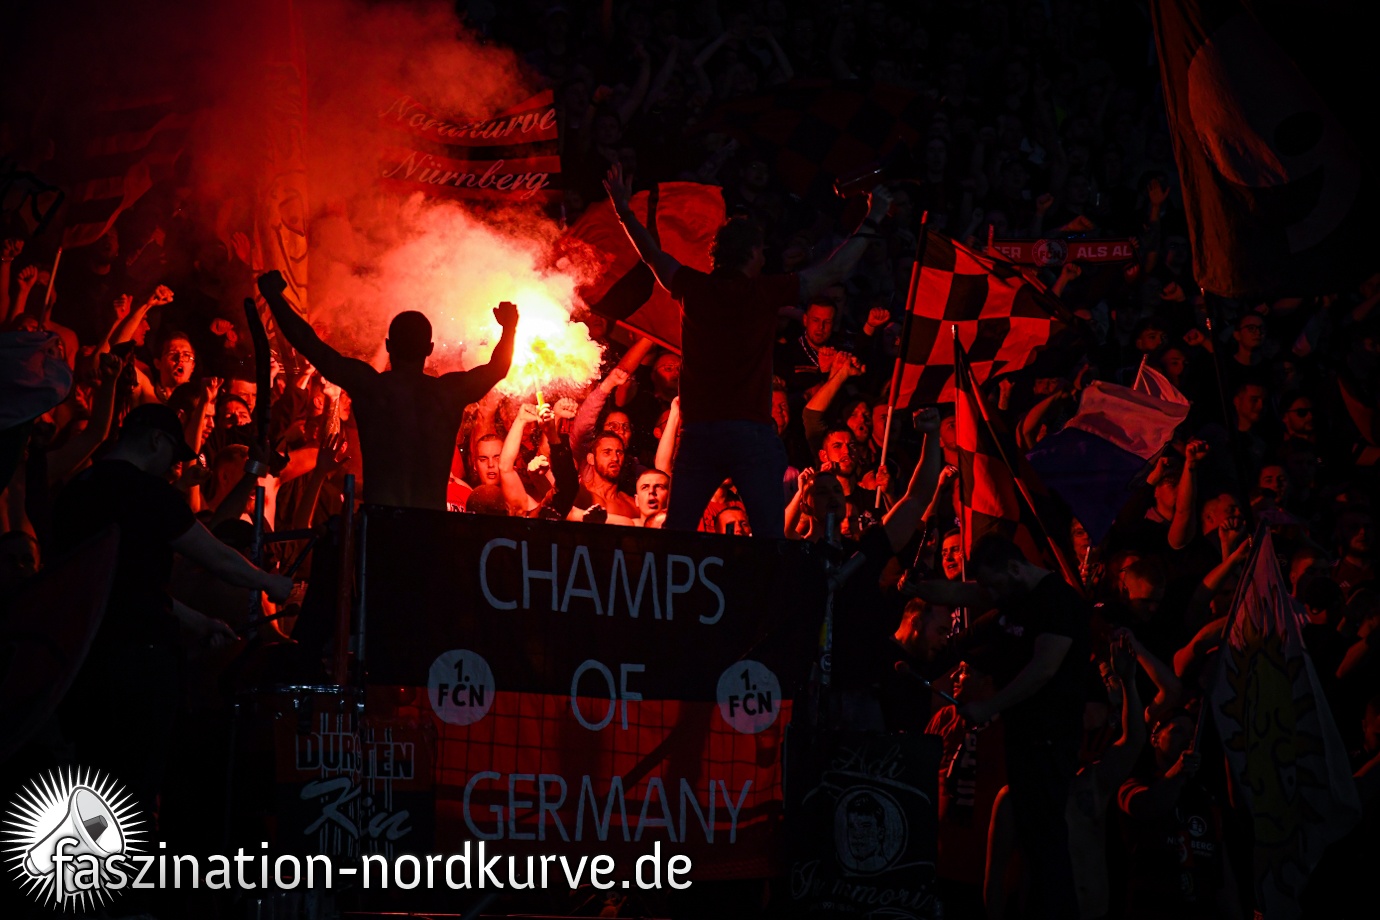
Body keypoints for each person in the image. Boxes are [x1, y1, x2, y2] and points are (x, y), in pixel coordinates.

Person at [602, 162, 891, 537]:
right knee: (769, 539)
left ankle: (670, 594)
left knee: (677, 537)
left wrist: (625, 213)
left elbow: (650, 254)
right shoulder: (765, 291)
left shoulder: (694, 287)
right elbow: (832, 272)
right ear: (753, 253)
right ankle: (764, 595)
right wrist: (874, 217)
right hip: (750, 434)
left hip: (700, 433)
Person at [52, 404, 292, 813]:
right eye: (171, 455)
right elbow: (215, 555)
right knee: (134, 791)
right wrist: (269, 581)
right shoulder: (147, 492)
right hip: (137, 665)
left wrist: (199, 622)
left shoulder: (75, 489)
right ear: (155, 440)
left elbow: (126, 586)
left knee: (89, 790)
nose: (172, 468)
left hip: (78, 662)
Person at [257, 269, 518, 510]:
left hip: (380, 523)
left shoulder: (370, 386)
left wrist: (274, 298)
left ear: (389, 346)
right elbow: (498, 368)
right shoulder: (448, 392)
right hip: (430, 524)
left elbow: (311, 346)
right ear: (429, 348)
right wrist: (509, 328)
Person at [956, 534, 1091, 920]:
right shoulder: (1019, 599)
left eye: (995, 583)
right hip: (1026, 737)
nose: (992, 594)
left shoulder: (1058, 602)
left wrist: (990, 706)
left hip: (1049, 739)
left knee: (1047, 843)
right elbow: (966, 595)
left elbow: (1044, 668)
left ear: (1015, 568)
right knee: (1035, 843)